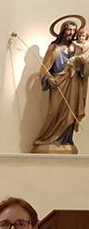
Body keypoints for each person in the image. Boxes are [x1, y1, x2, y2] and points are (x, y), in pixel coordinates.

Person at [33, 19, 87, 149]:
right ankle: (47, 138)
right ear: (63, 31)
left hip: (74, 84)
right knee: (54, 112)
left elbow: (83, 68)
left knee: (70, 112)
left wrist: (83, 65)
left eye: (73, 30)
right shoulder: (54, 48)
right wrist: (49, 78)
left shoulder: (76, 48)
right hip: (58, 83)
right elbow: (44, 68)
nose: (71, 33)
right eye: (68, 29)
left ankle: (66, 140)